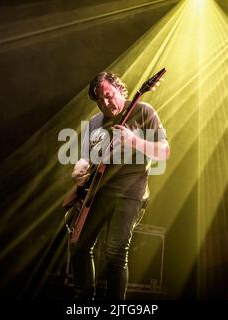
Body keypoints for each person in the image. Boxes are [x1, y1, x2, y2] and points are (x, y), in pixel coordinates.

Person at [70, 71, 170, 300]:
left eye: (108, 95)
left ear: (120, 89)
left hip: (130, 194)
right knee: (78, 246)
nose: (105, 103)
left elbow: (164, 151)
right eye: (99, 100)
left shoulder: (143, 111)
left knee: (115, 252)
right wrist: (79, 168)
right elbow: (87, 157)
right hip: (98, 193)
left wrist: (134, 141)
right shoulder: (95, 122)